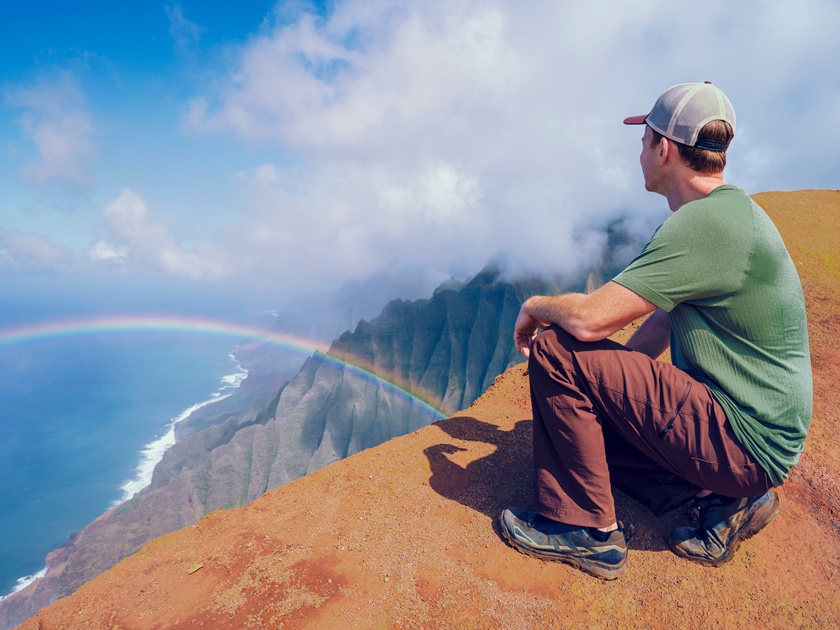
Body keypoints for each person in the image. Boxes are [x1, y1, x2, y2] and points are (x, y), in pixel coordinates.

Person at [499, 82, 812, 580]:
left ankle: (585, 530)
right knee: (598, 423)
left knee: (558, 348)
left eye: (643, 140)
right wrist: (611, 389)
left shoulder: (705, 225)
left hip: (744, 441)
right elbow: (663, 320)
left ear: (663, 149)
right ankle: (730, 498)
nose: (640, 151)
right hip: (757, 438)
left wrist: (535, 305)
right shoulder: (729, 215)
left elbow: (586, 319)